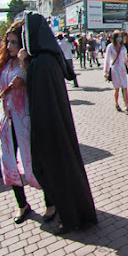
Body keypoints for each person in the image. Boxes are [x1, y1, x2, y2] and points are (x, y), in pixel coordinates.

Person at [21, 12, 97, 234]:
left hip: (50, 131)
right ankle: (72, 215)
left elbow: (36, 96)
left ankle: (70, 218)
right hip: (57, 129)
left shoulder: (42, 62)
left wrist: (25, 64)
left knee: (54, 173)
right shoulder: (49, 58)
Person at [0, 20, 56, 224]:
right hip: (8, 120)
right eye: (7, 42)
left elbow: (39, 88)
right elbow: (0, 86)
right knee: (9, 162)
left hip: (26, 120)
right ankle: (22, 204)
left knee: (36, 162)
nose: (9, 46)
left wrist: (25, 82)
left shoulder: (28, 61)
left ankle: (50, 202)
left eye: (13, 42)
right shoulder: (3, 63)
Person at [103, 31, 128, 114]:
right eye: (119, 37)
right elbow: (107, 60)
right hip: (115, 69)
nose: (120, 38)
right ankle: (116, 103)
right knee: (117, 88)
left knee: (125, 87)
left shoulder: (123, 47)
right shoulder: (110, 47)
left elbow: (125, 59)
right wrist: (105, 71)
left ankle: (126, 106)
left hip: (122, 69)